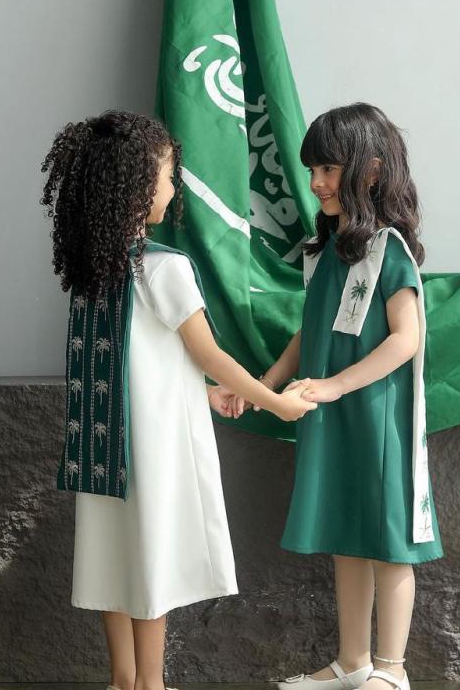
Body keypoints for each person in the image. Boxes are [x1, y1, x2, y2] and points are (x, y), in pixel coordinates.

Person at [40, 109, 316, 690]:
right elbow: (208, 354)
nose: (173, 188)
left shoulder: (94, 275)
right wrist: (275, 402)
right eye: (168, 176)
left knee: (111, 562)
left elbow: (134, 363)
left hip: (101, 451)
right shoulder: (164, 269)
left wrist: (204, 396)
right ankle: (153, 683)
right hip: (150, 450)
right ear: (139, 188)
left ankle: (123, 680)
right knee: (151, 564)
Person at [257, 103, 443, 690]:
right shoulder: (326, 252)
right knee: (347, 537)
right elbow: (309, 331)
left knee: (389, 542)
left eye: (328, 169)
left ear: (371, 170)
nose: (316, 182)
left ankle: (392, 670)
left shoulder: (389, 249)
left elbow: (407, 338)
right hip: (334, 416)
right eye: (313, 169)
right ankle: (353, 663)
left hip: (377, 418)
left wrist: (335, 385)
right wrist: (264, 384)